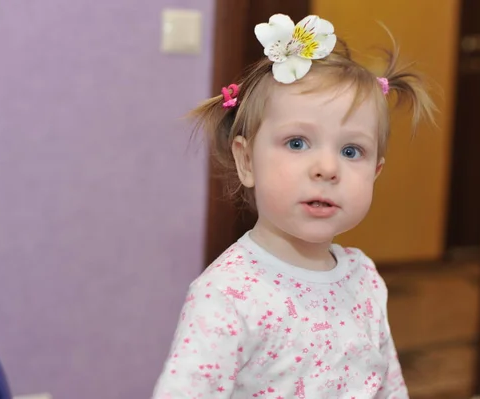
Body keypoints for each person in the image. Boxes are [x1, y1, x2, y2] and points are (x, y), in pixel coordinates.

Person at [152, 13, 436, 399]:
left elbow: (388, 386)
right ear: (247, 160)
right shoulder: (228, 294)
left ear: (375, 172)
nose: (327, 168)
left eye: (351, 151)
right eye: (298, 143)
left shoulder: (364, 279)